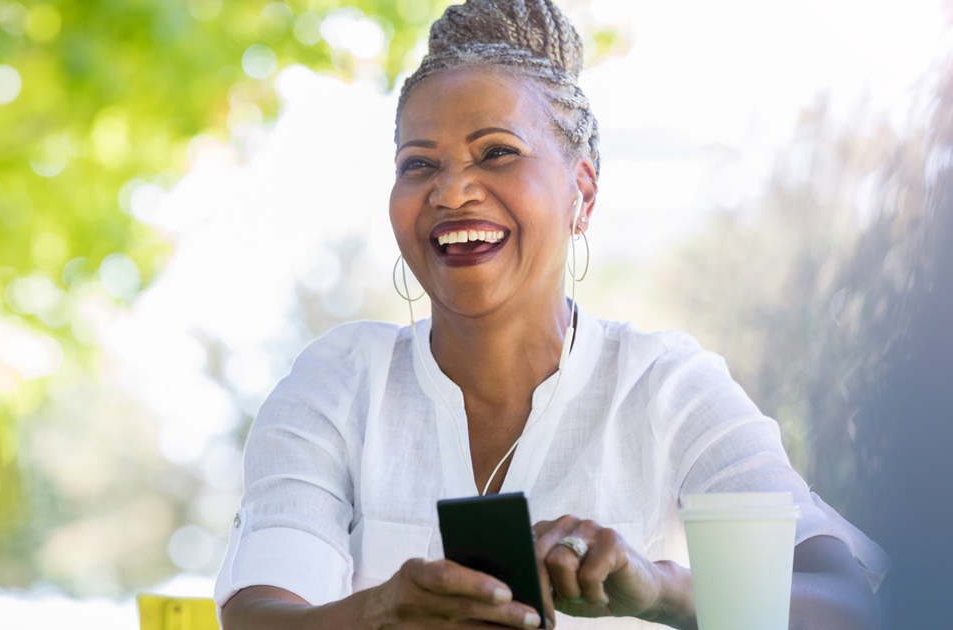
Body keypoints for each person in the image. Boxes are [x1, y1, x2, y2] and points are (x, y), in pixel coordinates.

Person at [215, 0, 887, 627]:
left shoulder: (664, 386)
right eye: (419, 165)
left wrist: (658, 585)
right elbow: (260, 609)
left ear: (582, 192)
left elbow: (845, 599)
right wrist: (378, 612)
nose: (451, 190)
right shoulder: (340, 382)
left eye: (497, 152)